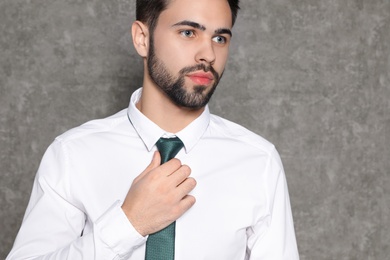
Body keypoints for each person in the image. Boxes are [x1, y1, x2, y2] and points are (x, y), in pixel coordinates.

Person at [7, 0, 299, 259]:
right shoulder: (73, 155)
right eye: (188, 32)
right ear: (142, 38)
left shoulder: (258, 162)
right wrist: (129, 223)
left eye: (220, 38)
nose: (208, 54)